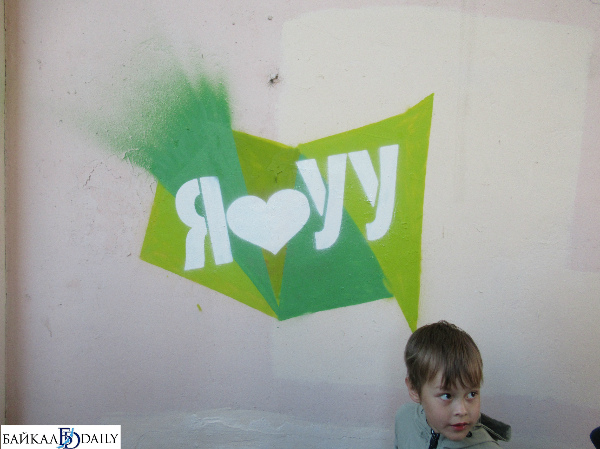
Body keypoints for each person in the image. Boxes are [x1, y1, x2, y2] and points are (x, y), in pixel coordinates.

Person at [395, 320, 511, 448]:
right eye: (447, 396)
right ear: (414, 389)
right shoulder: (404, 418)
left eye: (471, 394)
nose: (462, 411)